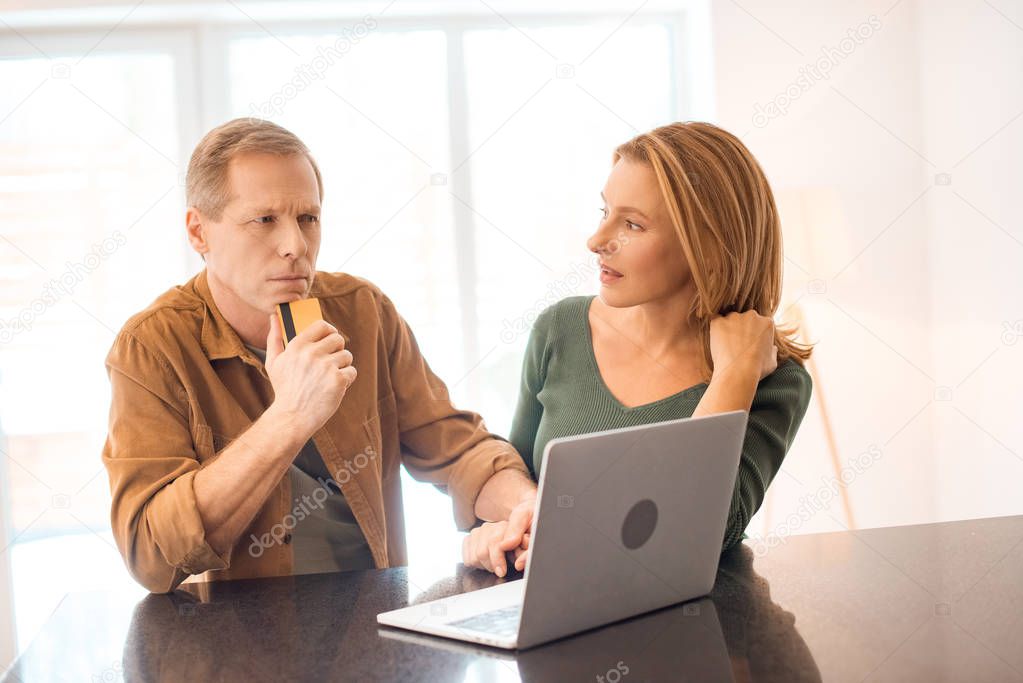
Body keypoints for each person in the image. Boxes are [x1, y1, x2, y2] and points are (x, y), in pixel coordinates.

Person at [102, 118, 536, 593]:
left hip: (375, 624)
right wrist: (289, 416)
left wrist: (527, 509)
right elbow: (151, 557)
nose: (295, 247)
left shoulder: (363, 311)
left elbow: (460, 451)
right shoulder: (150, 348)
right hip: (235, 644)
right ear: (198, 231)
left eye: (307, 218)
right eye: (264, 220)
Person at [461, 122, 814, 575]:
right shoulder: (560, 329)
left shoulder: (773, 379)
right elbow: (523, 481)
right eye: (603, 211)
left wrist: (734, 375)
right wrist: (502, 530)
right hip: (551, 611)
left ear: (707, 246)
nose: (596, 241)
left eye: (631, 223)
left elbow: (704, 530)